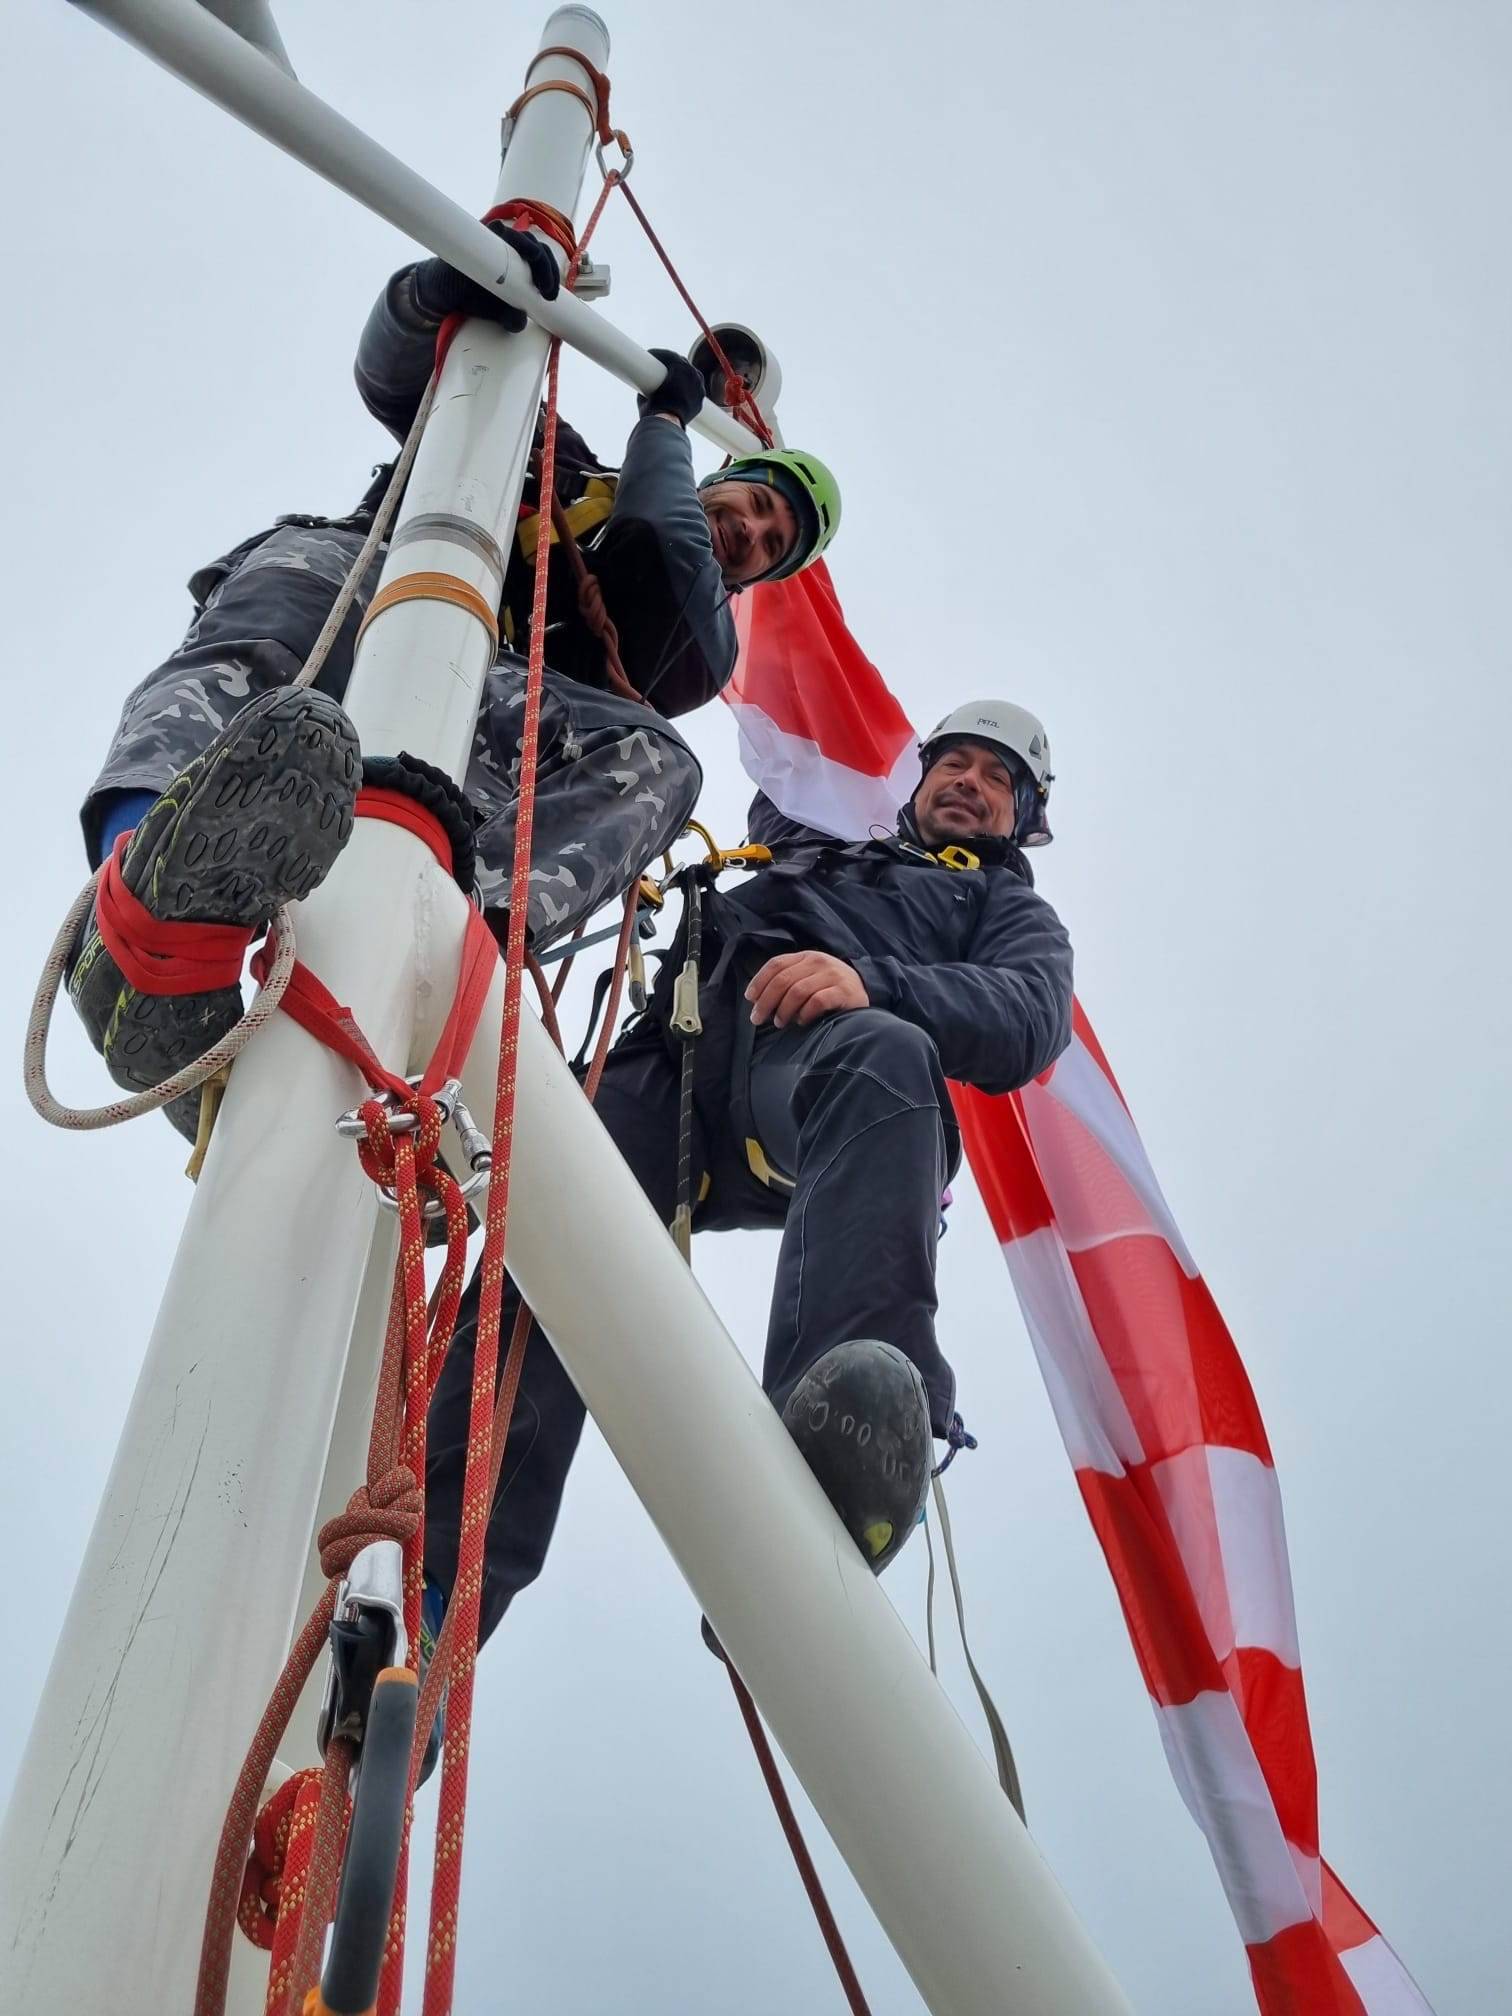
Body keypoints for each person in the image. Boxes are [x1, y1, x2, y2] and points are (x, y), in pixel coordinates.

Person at [69, 221, 840, 1137]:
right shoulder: (536, 440)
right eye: (750, 501)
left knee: (660, 761)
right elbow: (402, 372)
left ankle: (428, 956)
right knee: (298, 581)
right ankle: (143, 911)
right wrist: (454, 287)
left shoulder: (690, 642)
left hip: (473, 725)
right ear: (725, 479)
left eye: (770, 545)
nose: (750, 530)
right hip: (365, 593)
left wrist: (667, 427)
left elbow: (661, 550)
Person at [422, 697, 1073, 1655]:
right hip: (675, 1055)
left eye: (998, 779)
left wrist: (873, 983)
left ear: (1022, 818)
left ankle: (840, 1450)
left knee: (886, 1053)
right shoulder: (810, 845)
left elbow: (1028, 1014)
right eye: (957, 764)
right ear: (922, 775)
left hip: (817, 1068)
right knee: (550, 1242)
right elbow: (770, 700)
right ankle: (432, 1601)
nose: (971, 785)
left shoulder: (1004, 907)